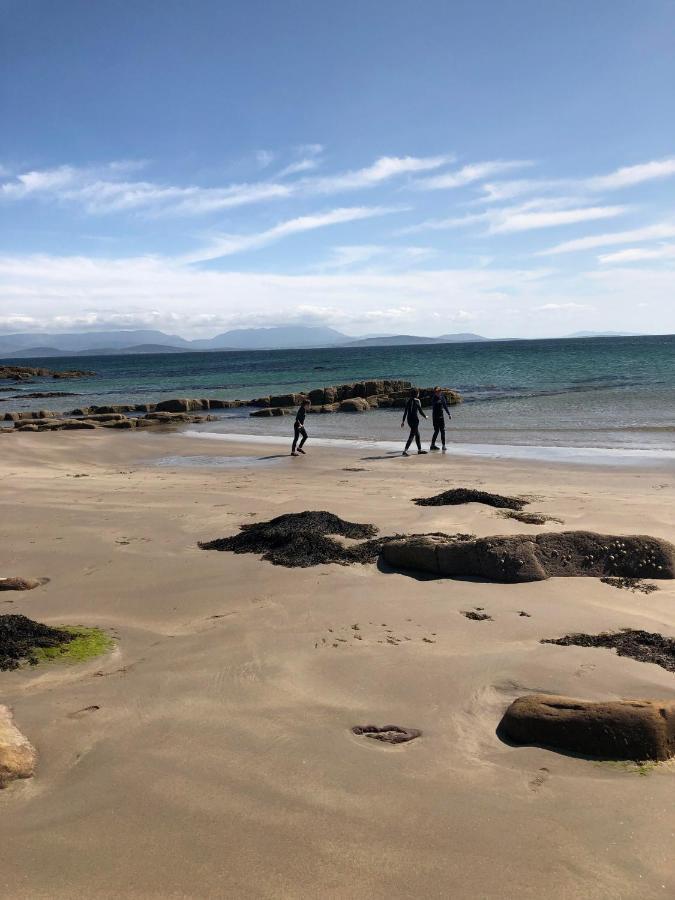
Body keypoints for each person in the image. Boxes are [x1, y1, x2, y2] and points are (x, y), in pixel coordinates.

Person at [400, 387, 428, 456]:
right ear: (416, 394)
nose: (419, 394)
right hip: (415, 420)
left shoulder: (408, 401)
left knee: (417, 434)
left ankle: (419, 450)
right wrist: (425, 416)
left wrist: (403, 421)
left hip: (409, 420)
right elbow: (420, 411)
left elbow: (405, 412)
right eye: (418, 393)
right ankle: (405, 451)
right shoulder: (417, 401)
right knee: (412, 435)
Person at [430, 386, 452, 451]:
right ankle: (432, 445)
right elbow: (434, 405)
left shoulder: (442, 397)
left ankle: (443, 446)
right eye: (435, 392)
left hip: (441, 417)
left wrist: (449, 414)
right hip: (435, 417)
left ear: (440, 391)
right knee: (436, 431)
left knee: (443, 431)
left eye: (437, 391)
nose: (436, 393)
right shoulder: (434, 398)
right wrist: (438, 400)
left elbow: (445, 406)